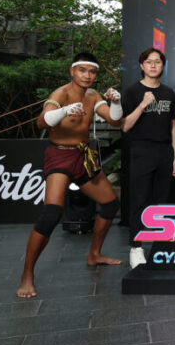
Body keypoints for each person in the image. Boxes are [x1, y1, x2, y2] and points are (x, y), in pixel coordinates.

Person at [16, 52, 123, 298]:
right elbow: (41, 122)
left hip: (83, 156)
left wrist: (116, 103)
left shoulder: (93, 95)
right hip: (60, 155)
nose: (87, 75)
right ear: (72, 71)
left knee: (110, 204)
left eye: (92, 71)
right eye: (82, 70)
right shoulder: (60, 93)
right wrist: (63, 111)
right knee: (52, 213)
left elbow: (115, 121)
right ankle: (27, 274)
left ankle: (94, 254)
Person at [121, 48, 175, 269]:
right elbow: (125, 126)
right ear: (142, 65)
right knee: (139, 199)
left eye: (157, 62)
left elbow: (172, 126)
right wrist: (142, 105)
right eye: (149, 62)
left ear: (163, 66)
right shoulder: (132, 91)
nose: (153, 65)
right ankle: (136, 248)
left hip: (164, 151)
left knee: (162, 201)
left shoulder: (168, 92)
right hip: (142, 149)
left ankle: (160, 246)